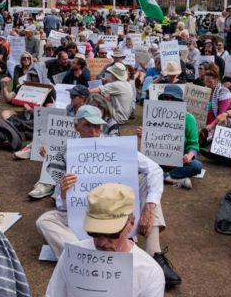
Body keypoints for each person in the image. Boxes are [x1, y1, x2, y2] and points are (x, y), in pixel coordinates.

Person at [34, 105, 181, 286]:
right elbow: (63, 208)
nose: (94, 131)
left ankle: (154, 255)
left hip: (116, 212)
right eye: (88, 125)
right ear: (76, 127)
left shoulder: (115, 146)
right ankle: (90, 260)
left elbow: (155, 170)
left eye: (98, 126)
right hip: (85, 216)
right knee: (44, 221)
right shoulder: (66, 154)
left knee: (146, 181)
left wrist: (149, 206)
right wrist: (64, 192)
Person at [45, 183, 164, 297]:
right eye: (94, 232)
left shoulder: (150, 273)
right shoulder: (73, 255)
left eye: (111, 234)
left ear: (131, 223)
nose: (101, 242)